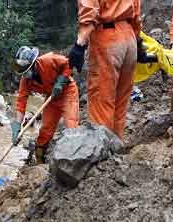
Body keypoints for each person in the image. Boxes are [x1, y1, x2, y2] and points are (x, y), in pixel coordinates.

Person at [69, 0, 143, 140]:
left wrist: (79, 45)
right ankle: (117, 146)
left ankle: (103, 150)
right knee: (121, 100)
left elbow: (89, 12)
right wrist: (138, 43)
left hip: (107, 39)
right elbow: (136, 12)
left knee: (101, 99)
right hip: (129, 36)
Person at [11, 46, 79, 163]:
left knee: (71, 124)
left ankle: (75, 160)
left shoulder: (49, 59)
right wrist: (17, 126)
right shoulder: (25, 80)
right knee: (45, 130)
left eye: (27, 71)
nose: (25, 75)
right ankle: (39, 161)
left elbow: (68, 63)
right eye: (23, 72)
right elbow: (21, 102)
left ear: (33, 64)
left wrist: (61, 80)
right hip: (51, 97)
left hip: (67, 92)